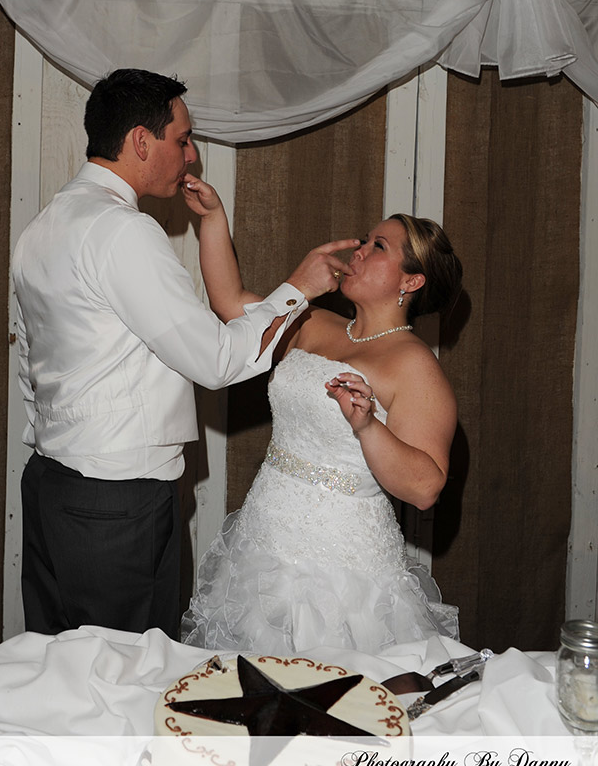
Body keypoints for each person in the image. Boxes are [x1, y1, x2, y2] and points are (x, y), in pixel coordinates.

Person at [12, 68, 358, 639]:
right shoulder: (121, 231)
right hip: (116, 499)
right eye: (183, 138)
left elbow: (32, 365)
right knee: (131, 669)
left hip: (52, 480)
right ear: (140, 141)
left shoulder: (43, 226)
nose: (192, 154)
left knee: (59, 663)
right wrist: (299, 287)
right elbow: (217, 361)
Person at [181, 181, 463, 656]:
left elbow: (424, 487)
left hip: (341, 569)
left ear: (411, 282)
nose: (359, 251)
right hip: (262, 544)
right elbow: (231, 302)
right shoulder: (314, 324)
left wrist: (368, 427)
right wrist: (211, 218)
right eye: (364, 240)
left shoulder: (415, 366)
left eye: (378, 247)